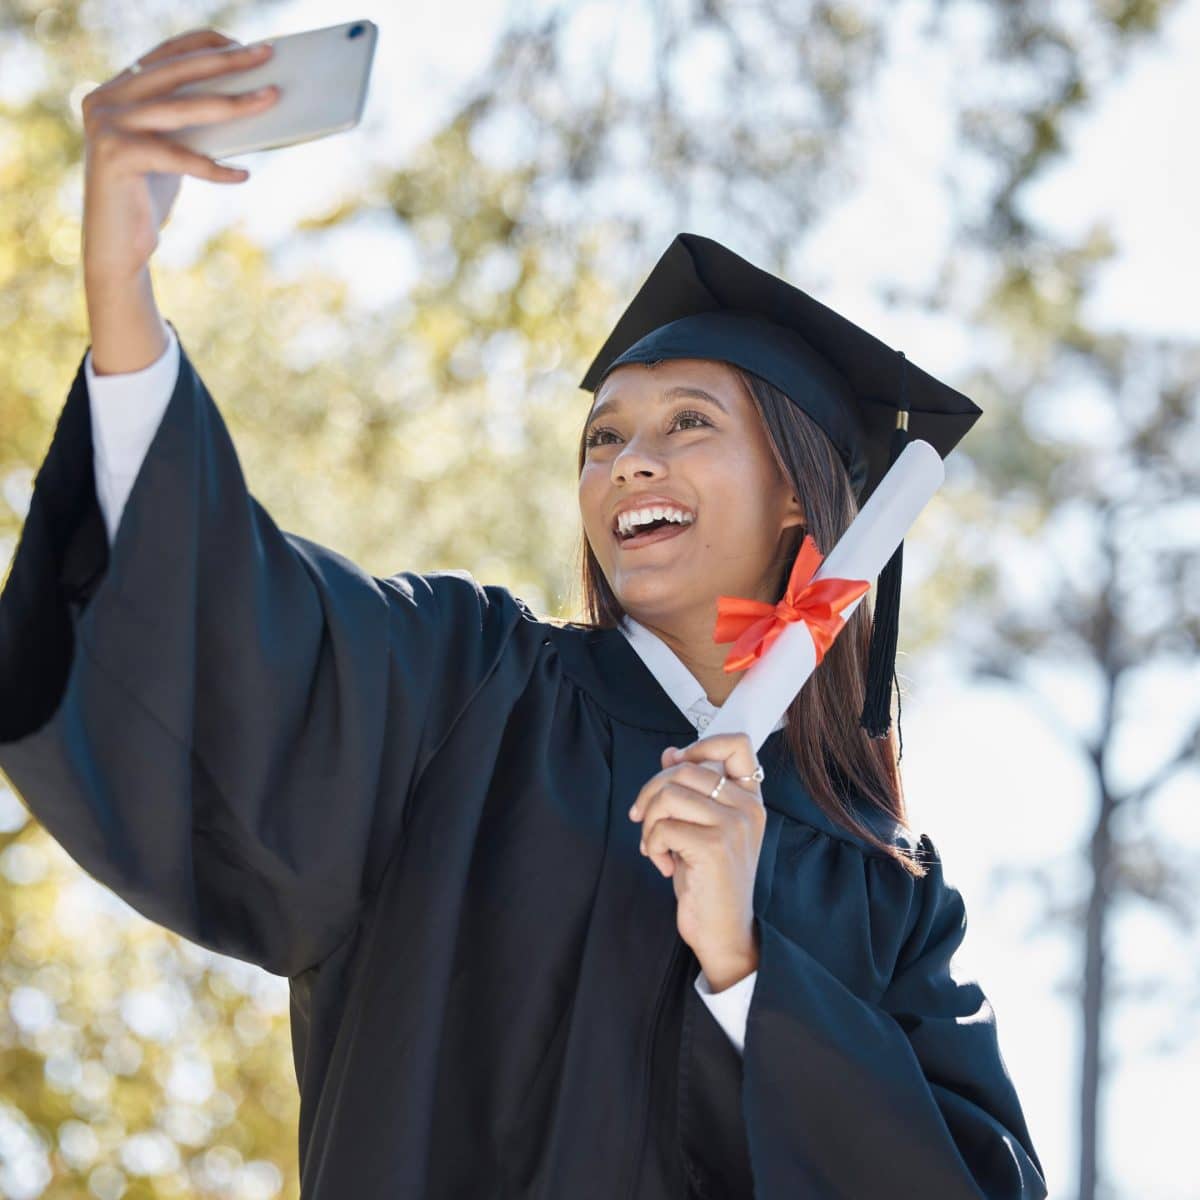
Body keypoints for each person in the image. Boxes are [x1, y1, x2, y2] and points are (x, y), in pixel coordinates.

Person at [0, 27, 1047, 1200]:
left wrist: (748, 965)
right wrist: (123, 297)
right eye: (603, 439)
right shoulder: (470, 690)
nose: (627, 465)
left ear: (801, 489)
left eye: (687, 424)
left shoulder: (883, 889)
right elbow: (237, 625)